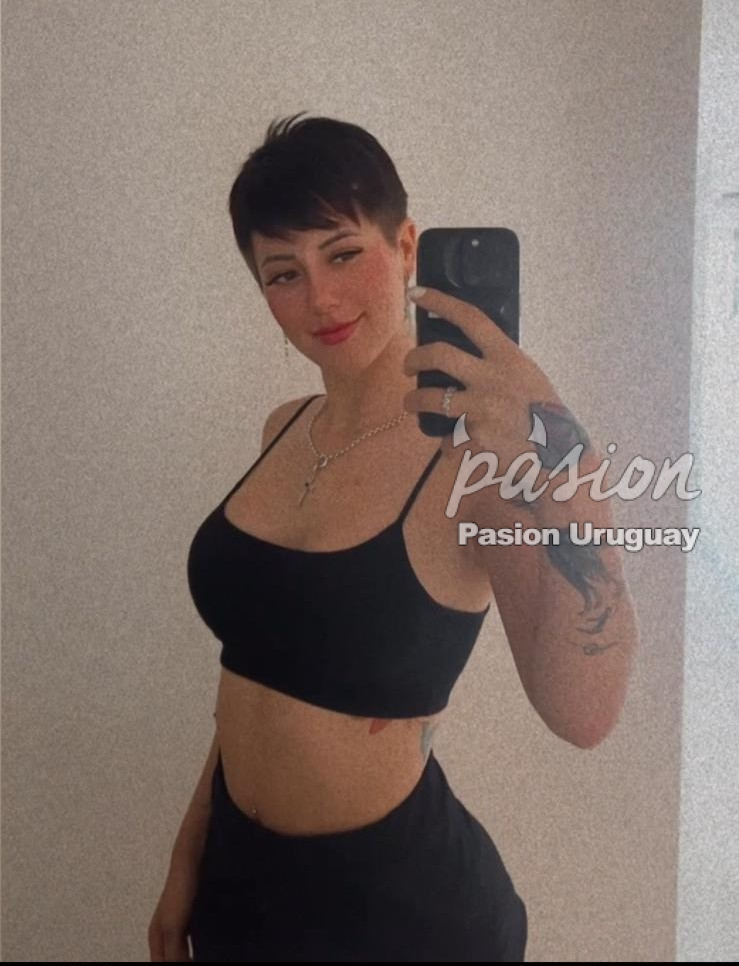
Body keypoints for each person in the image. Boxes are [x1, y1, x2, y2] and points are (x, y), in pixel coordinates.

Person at [148, 112, 637, 962]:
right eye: (283, 273)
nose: (321, 299)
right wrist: (188, 853)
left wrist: (562, 459)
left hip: (397, 919)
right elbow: (251, 670)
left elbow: (584, 712)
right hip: (241, 892)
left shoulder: (476, 465)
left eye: (342, 254)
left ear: (406, 245)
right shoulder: (283, 428)